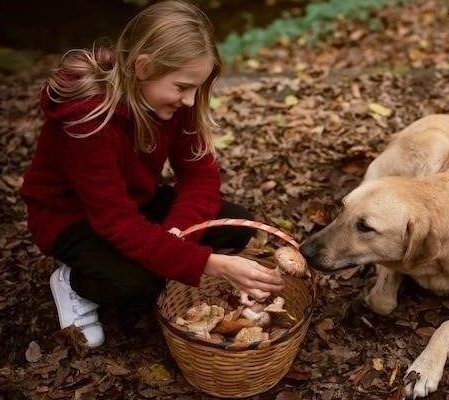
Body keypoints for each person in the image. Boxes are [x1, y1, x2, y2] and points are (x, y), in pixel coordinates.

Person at [20, 0, 284, 348]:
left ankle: (156, 260)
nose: (190, 100)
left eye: (196, 88)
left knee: (234, 224)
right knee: (140, 284)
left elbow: (200, 177)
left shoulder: (174, 102)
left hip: (134, 201)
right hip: (72, 218)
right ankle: (73, 284)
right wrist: (208, 263)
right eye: (182, 87)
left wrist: (178, 234)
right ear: (143, 68)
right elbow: (114, 221)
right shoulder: (86, 120)